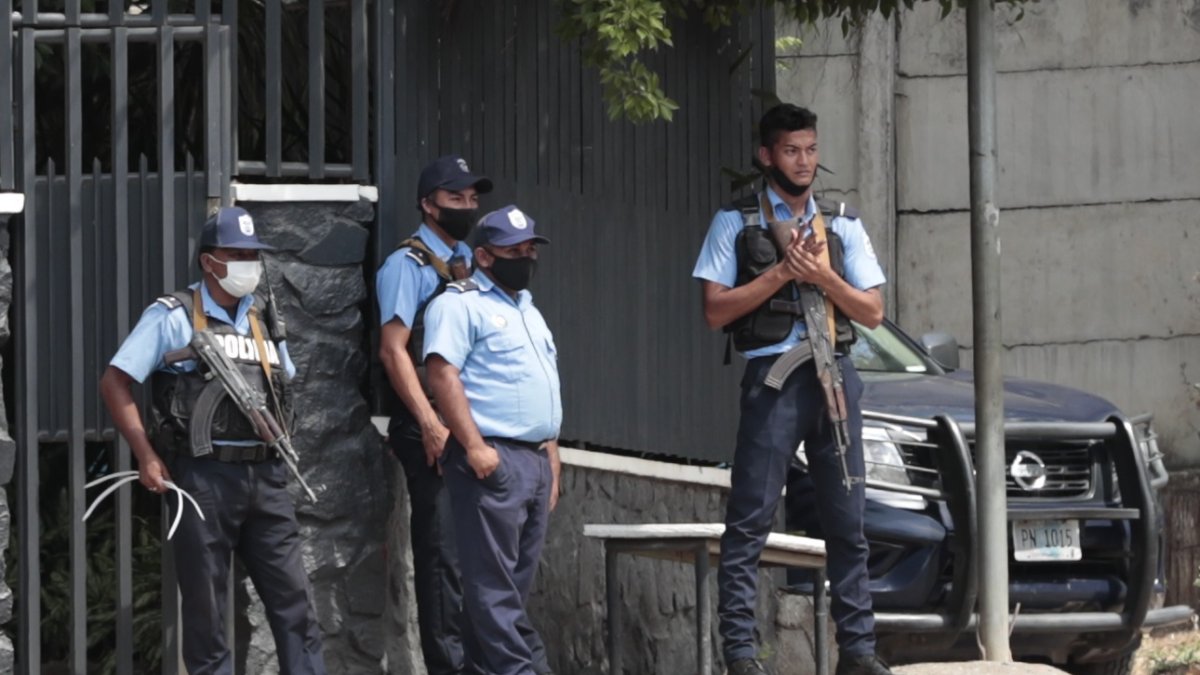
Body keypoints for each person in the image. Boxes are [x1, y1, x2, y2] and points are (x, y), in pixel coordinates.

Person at [692, 103, 891, 675]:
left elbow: (873, 312)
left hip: (833, 376)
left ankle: (857, 650)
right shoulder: (736, 221)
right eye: (790, 150)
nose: (803, 162)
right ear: (766, 155)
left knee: (847, 519)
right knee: (751, 518)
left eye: (809, 149)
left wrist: (824, 276)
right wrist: (781, 273)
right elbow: (712, 311)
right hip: (774, 381)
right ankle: (741, 652)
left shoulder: (842, 222)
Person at [99, 206, 326, 675]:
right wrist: (146, 456)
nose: (248, 262)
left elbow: (284, 388)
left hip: (266, 475)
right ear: (209, 261)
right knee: (206, 614)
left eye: (253, 254)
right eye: (236, 253)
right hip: (203, 478)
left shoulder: (265, 317)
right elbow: (115, 381)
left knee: (295, 606)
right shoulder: (174, 315)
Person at [423, 205, 562, 675]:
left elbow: (541, 386)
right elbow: (442, 374)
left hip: (534, 462)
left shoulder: (527, 308)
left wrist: (551, 458)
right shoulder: (459, 304)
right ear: (484, 256)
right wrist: (476, 446)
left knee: (513, 588)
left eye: (529, 249)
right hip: (493, 458)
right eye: (513, 250)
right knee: (493, 588)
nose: (525, 257)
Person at [376, 154, 490, 675]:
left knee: (478, 556)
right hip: (430, 426)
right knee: (442, 553)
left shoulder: (471, 258)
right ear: (428, 204)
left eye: (471, 198)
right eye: (455, 199)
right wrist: (428, 423)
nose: (467, 206)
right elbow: (395, 350)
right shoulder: (409, 265)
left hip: (471, 425)